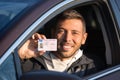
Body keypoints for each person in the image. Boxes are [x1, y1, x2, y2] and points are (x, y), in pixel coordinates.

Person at [18, 9, 97, 77]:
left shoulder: (93, 66)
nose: (67, 39)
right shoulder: (30, 62)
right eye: (62, 31)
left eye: (74, 33)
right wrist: (21, 54)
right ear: (53, 33)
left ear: (83, 38)